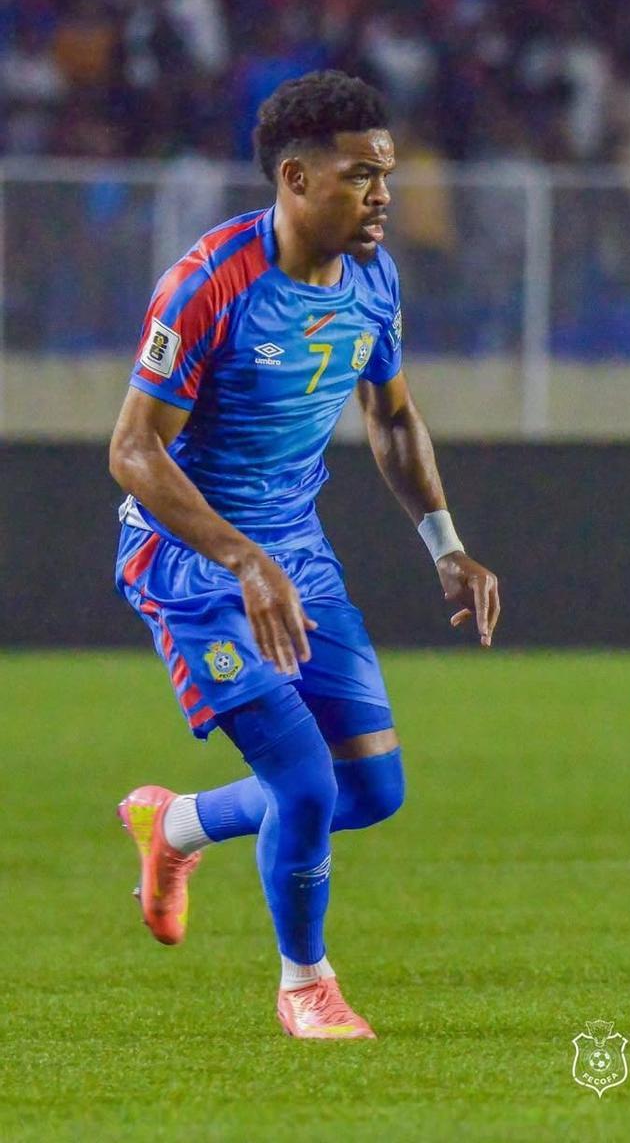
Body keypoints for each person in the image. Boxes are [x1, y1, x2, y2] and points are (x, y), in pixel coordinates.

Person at [108, 70, 500, 1040]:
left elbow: (392, 416)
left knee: (372, 788)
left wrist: (446, 544)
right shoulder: (210, 283)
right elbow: (132, 449)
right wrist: (240, 558)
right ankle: (305, 984)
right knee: (306, 785)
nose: (383, 197)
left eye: (388, 176)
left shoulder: (374, 279)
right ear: (295, 176)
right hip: (194, 568)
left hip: (295, 560)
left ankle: (179, 825)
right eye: (362, 176)